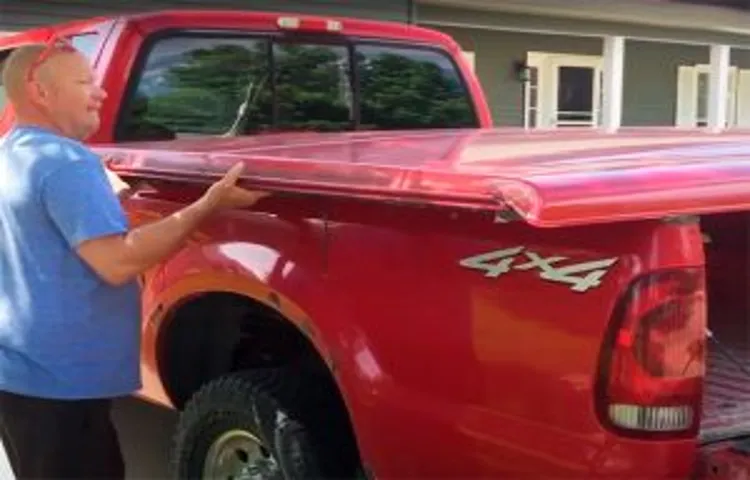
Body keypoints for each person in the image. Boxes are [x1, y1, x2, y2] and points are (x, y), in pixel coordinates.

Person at [0, 38, 269, 479]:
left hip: (20, 374)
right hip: (62, 385)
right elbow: (118, 262)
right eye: (85, 81)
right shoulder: (65, 162)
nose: (101, 93)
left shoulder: (13, 152)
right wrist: (207, 206)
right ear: (40, 91)